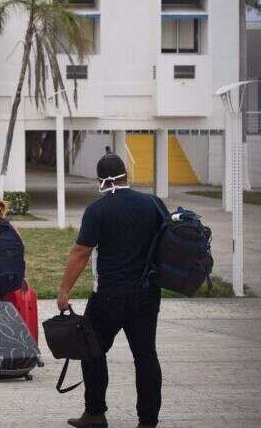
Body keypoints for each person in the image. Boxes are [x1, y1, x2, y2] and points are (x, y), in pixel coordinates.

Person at [58, 153, 166, 428]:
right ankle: (148, 421)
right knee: (145, 356)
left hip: (108, 297)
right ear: (126, 174)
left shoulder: (98, 210)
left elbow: (81, 252)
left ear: (100, 179)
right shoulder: (153, 204)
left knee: (91, 350)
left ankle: (94, 413)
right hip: (146, 296)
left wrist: (64, 290)